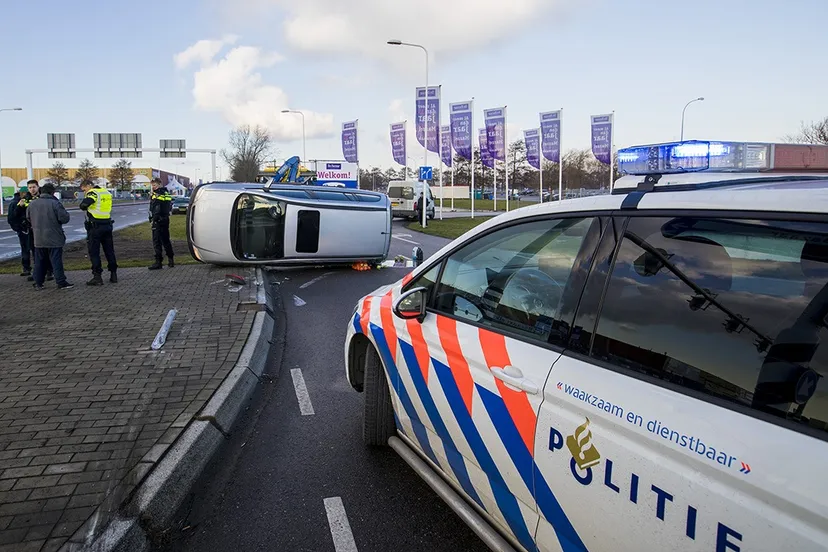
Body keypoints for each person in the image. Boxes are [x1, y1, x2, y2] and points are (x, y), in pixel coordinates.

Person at [26, 182, 73, 290]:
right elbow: (64, 218)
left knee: (39, 261)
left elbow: (28, 217)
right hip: (54, 237)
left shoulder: (32, 204)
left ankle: (38, 283)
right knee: (56, 260)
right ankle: (61, 282)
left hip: (38, 237)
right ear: (52, 192)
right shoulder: (55, 203)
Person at [79, 179, 118, 285]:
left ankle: (97, 277)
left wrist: (83, 204)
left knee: (94, 252)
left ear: (89, 186)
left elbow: (85, 204)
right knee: (109, 251)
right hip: (107, 224)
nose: (84, 192)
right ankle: (113, 274)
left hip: (95, 227)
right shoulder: (106, 192)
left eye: (84, 189)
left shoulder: (93, 192)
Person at [148, 178, 174, 270]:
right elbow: (168, 206)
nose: (153, 187)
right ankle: (171, 260)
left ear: (159, 184)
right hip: (165, 219)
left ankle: (158, 262)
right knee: (166, 240)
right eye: (152, 185)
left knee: (157, 242)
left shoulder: (157, 195)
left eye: (154, 185)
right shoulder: (166, 193)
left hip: (158, 220)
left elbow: (155, 209)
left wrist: (153, 220)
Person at [7, 187, 32, 276]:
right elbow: (11, 218)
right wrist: (18, 228)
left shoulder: (30, 201)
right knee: (25, 249)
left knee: (33, 249)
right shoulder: (14, 203)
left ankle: (36, 269)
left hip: (31, 228)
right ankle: (26, 268)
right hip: (23, 229)